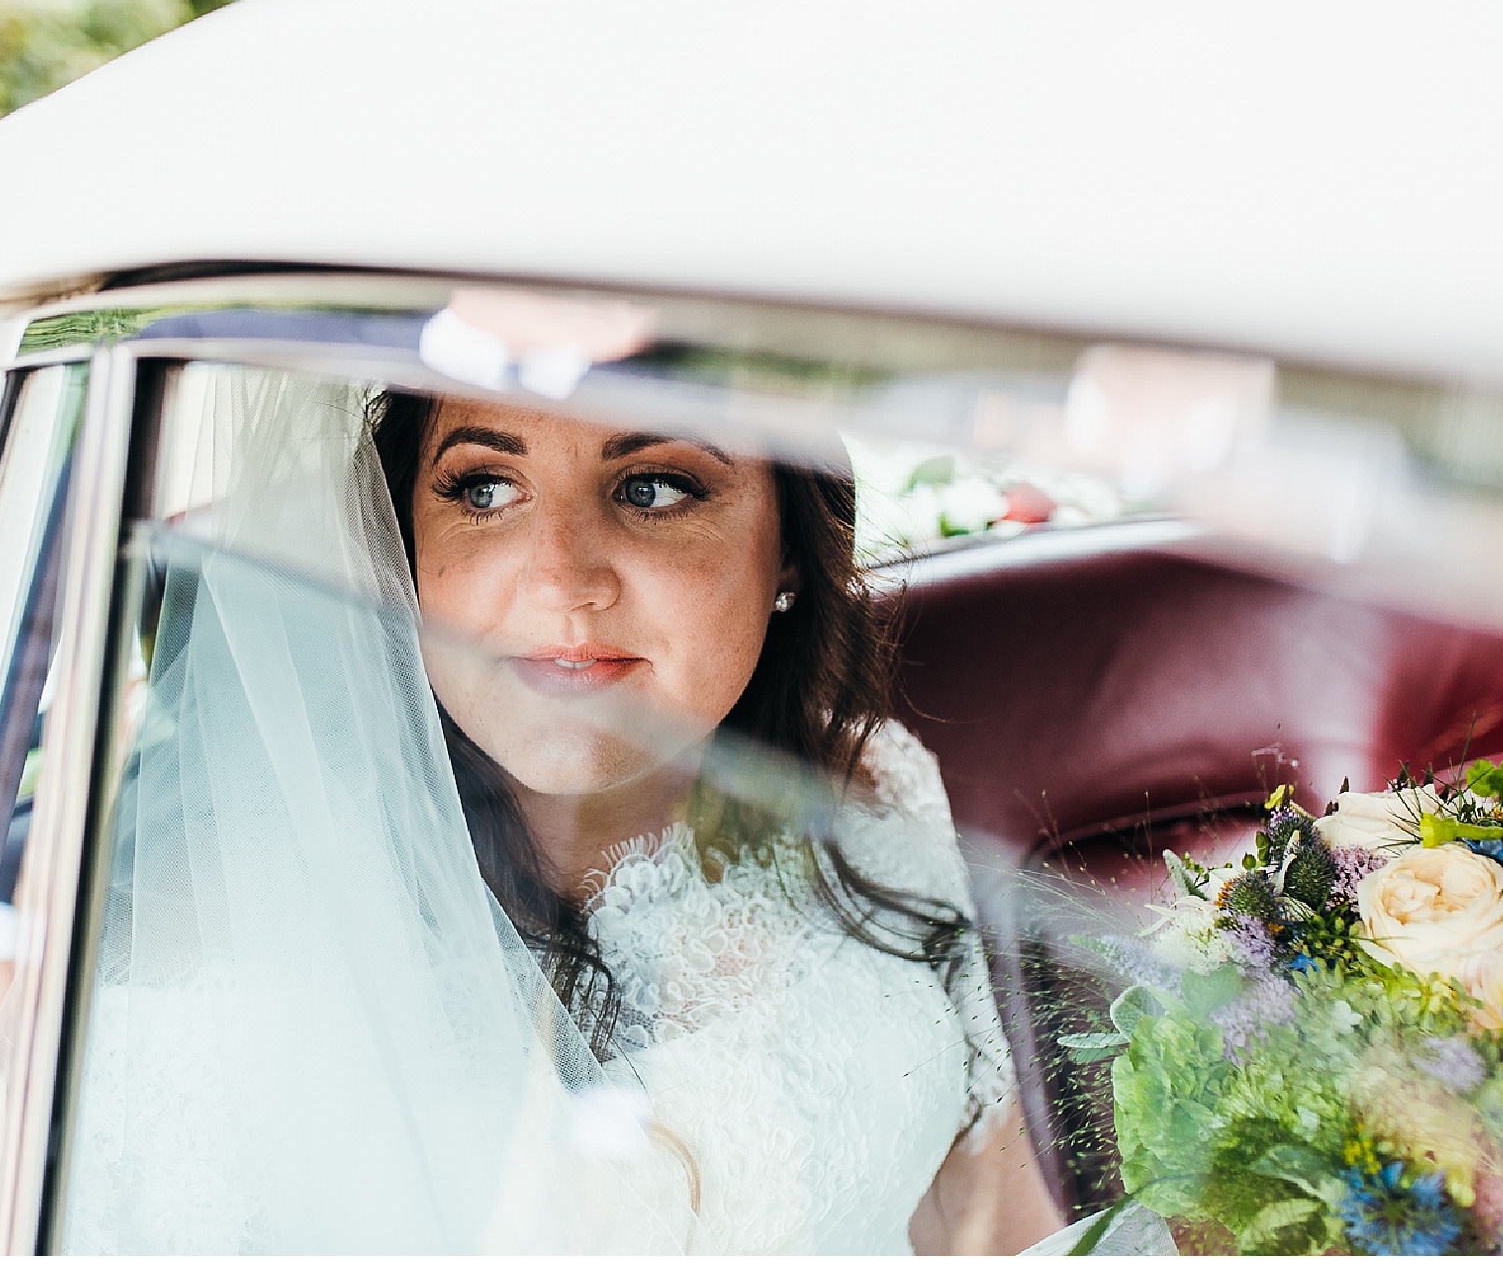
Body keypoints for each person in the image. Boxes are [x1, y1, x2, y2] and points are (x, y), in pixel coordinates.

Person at [368, 389, 1068, 1254]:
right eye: (483, 490)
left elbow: (986, 1222)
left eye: (654, 487)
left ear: (791, 553)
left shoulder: (873, 788)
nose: (561, 582)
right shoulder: (257, 936)